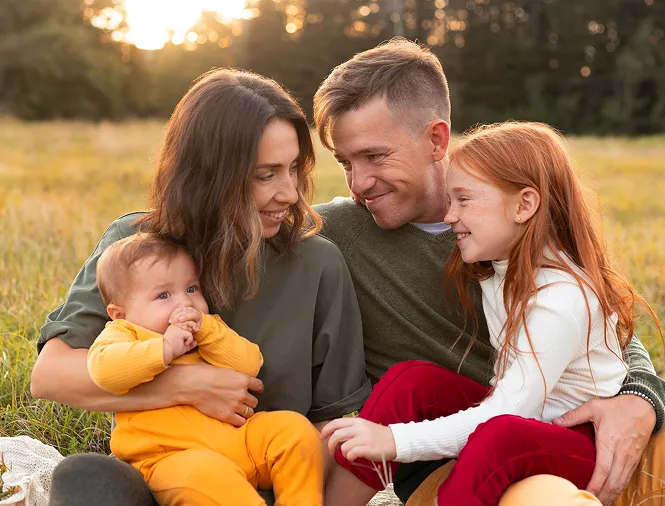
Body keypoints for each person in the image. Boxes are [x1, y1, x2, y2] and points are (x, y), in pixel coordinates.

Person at [312, 38, 665, 506]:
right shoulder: (336, 230)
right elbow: (220, 230)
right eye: (344, 162)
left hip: (545, 434)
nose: (357, 184)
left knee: (519, 461)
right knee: (413, 382)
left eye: (375, 157)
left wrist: (642, 397)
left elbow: (610, 330)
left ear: (437, 139)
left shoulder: (517, 246)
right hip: (459, 442)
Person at [31, 68, 371, 506]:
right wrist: (186, 385)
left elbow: (329, 425)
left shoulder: (318, 264)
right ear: (209, 176)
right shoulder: (139, 247)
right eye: (265, 175)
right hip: (168, 479)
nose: (289, 193)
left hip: (269, 482)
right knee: (85, 477)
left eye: (292, 170)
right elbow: (51, 376)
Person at [89, 232, 323, 505]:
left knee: (295, 431)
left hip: (241, 440)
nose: (184, 303)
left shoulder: (207, 329)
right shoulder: (124, 332)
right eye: (163, 295)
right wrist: (164, 349)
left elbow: (250, 363)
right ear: (120, 313)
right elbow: (104, 371)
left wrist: (209, 331)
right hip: (173, 458)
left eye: (192, 289)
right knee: (208, 477)